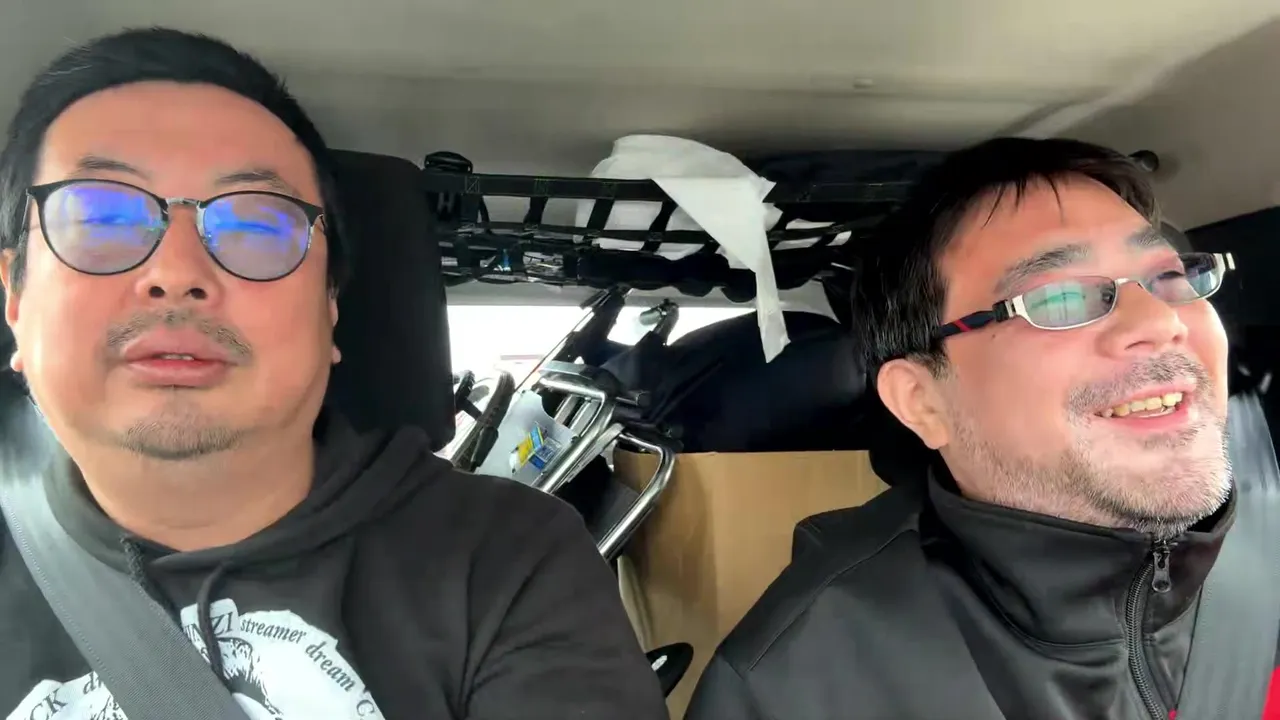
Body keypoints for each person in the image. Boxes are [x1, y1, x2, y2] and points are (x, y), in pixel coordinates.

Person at [0, 28, 667, 719]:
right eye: (102, 218)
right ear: (15, 298)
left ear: (329, 311)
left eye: (257, 228)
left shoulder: (505, 559)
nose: (176, 272)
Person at [684, 137, 1280, 718]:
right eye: (1059, 298)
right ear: (922, 402)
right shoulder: (797, 685)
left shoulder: (1267, 555)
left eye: (1170, 278)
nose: (1160, 321)